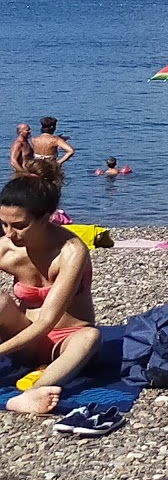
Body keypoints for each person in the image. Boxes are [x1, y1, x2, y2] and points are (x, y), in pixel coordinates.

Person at [0, 160, 99, 414]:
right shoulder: (7, 249)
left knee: (90, 337)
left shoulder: (71, 251)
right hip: (24, 337)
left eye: (20, 226)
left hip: (64, 341)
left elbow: (46, 322)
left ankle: (34, 392)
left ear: (46, 218)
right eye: (4, 224)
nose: (10, 234)